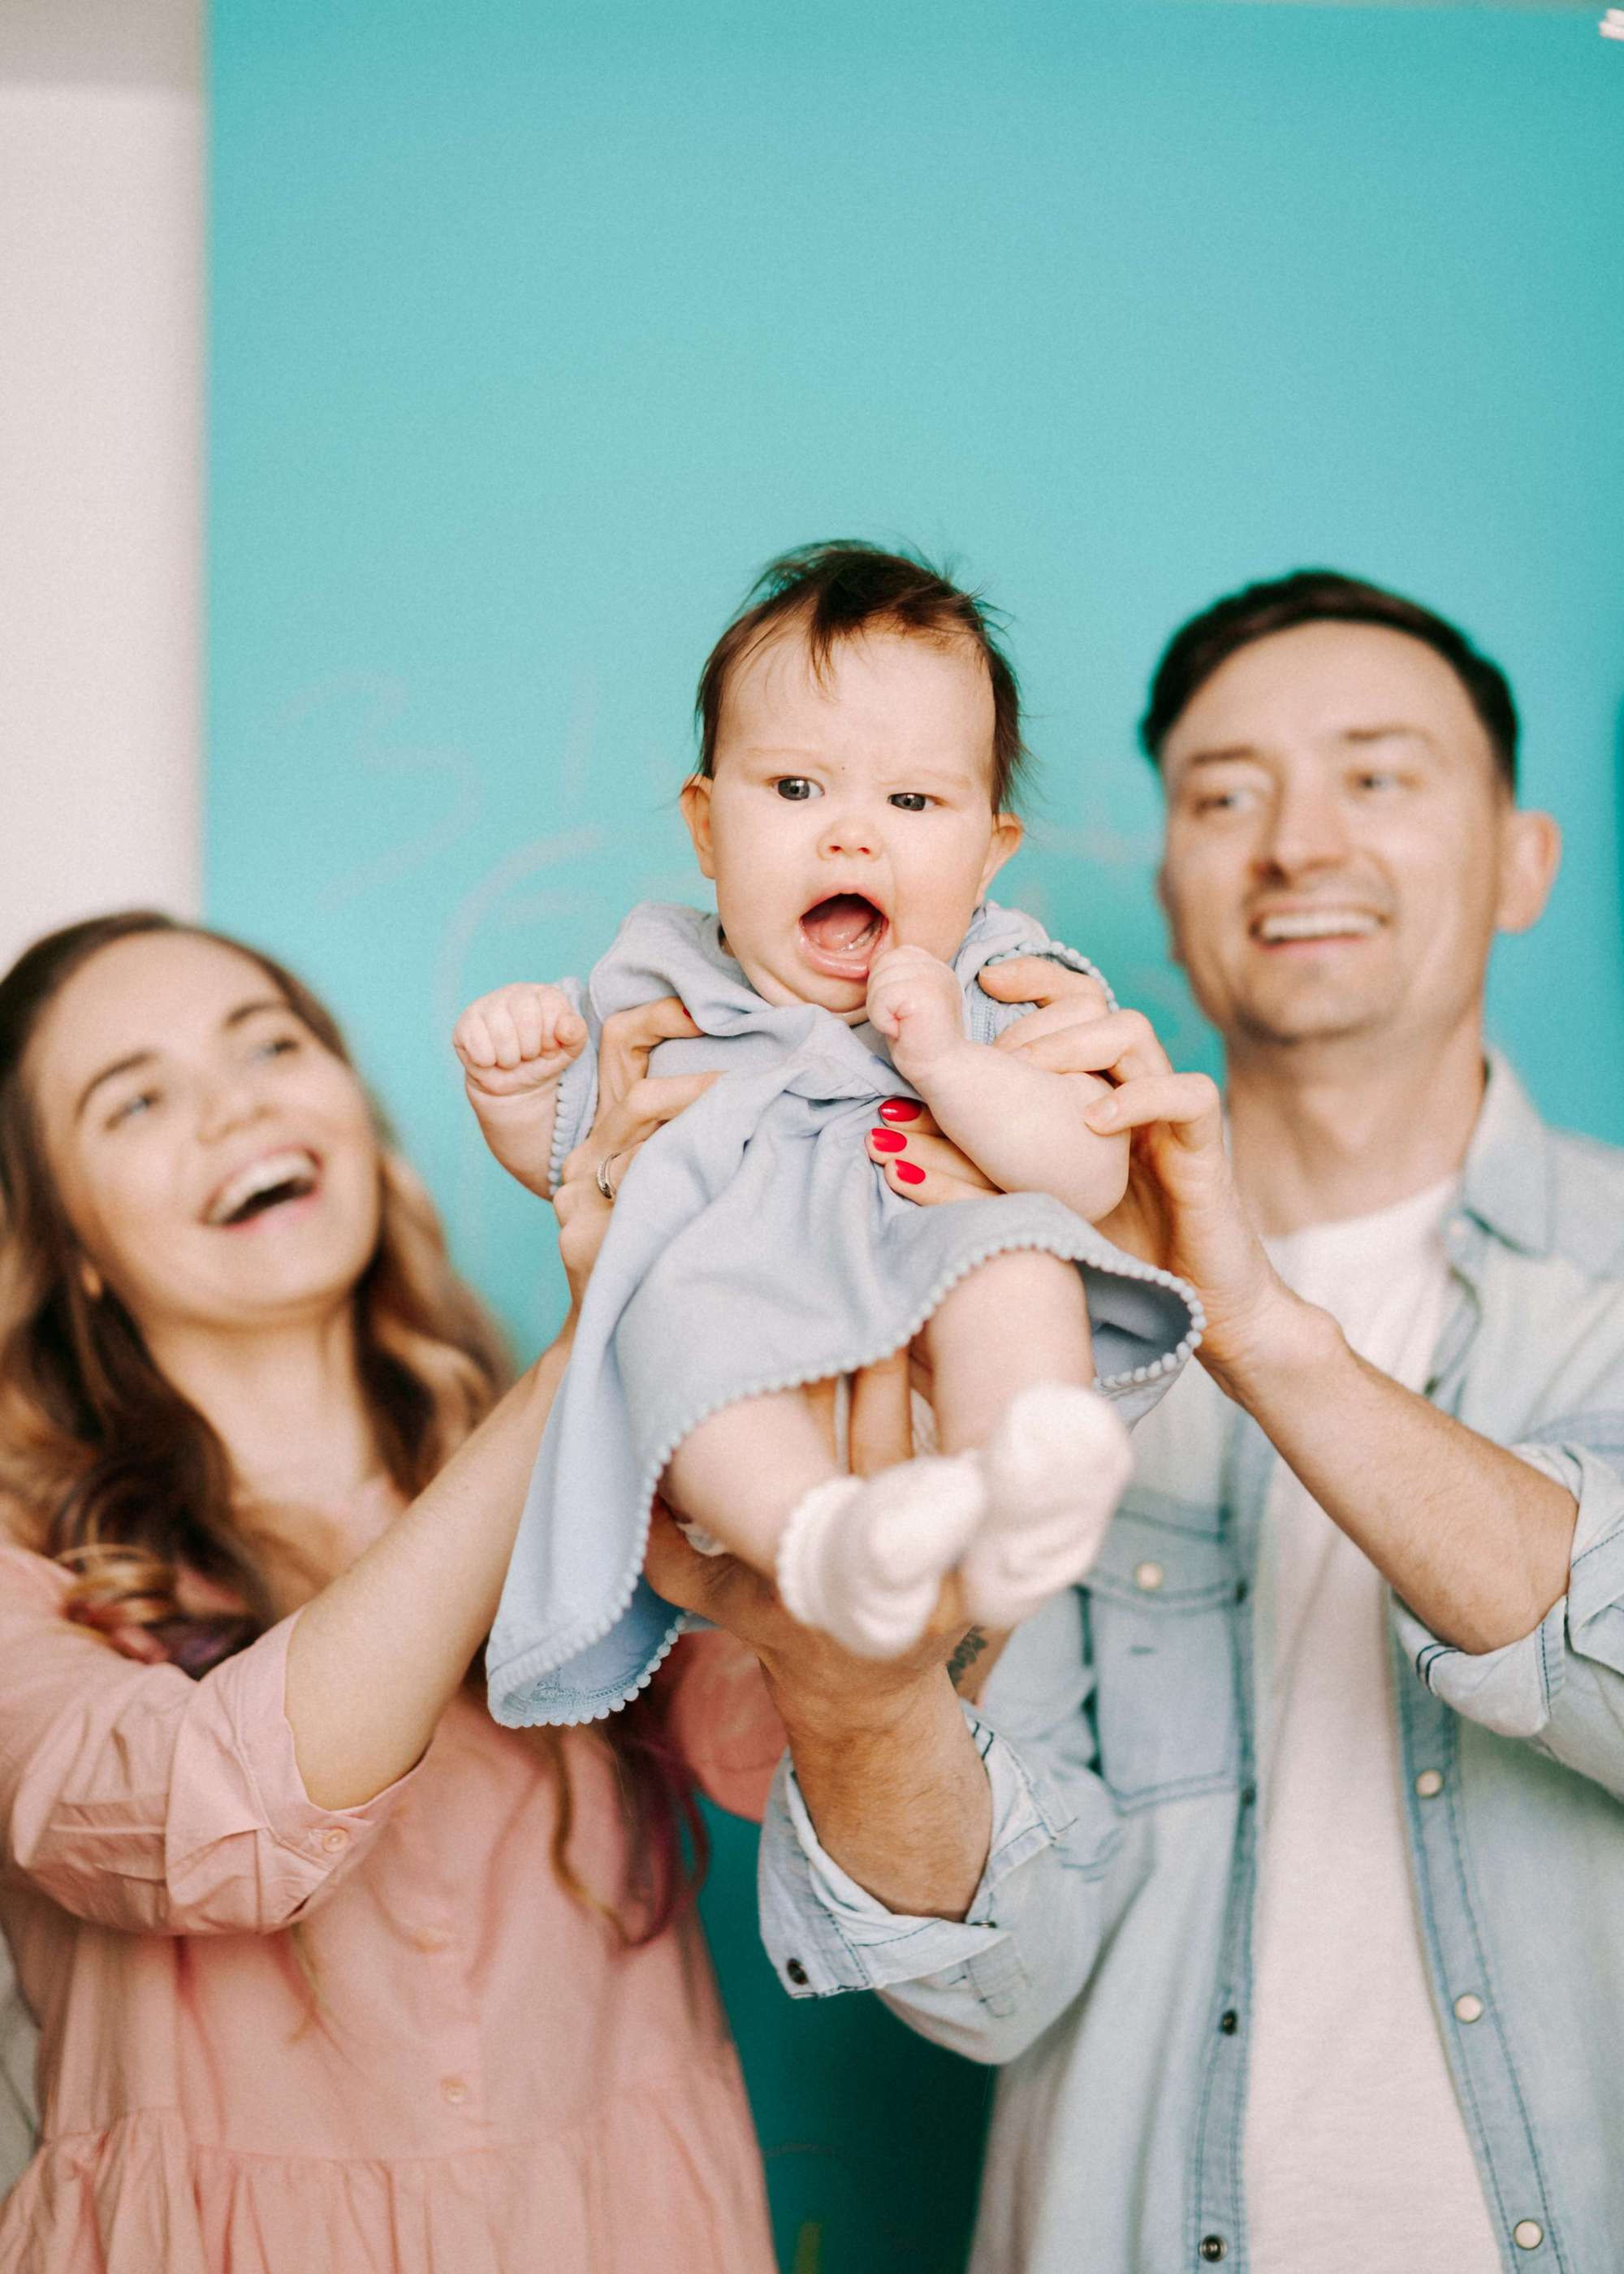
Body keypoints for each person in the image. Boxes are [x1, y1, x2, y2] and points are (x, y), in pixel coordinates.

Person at [653, 570, 1624, 2271]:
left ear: (1525, 860)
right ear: (1168, 885)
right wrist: (866, 1688)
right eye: (1222, 794)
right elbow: (987, 1973)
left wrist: (1253, 1329)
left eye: (1378, 775)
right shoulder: (1004, 1300)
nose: (1292, 840)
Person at [0, 910, 788, 2274]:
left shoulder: (592, 1468)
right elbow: (209, 1820)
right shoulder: (24, 1568)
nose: (235, 1105)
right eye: (136, 1099)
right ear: (63, 1237)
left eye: (270, 1045)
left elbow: (779, 1752)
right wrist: (579, 1367)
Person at [454, 543, 1198, 1723]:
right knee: (676, 1333)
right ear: (707, 830)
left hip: (924, 1281)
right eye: (797, 791)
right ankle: (820, 1538)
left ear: (989, 850)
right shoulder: (664, 984)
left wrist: (950, 1060)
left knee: (1013, 1265)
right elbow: (579, 1159)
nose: (853, 836)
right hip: (746, 1293)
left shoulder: (1002, 975)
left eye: (912, 802)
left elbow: (1087, 1165)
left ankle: (1010, 1489)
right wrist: (518, 1092)